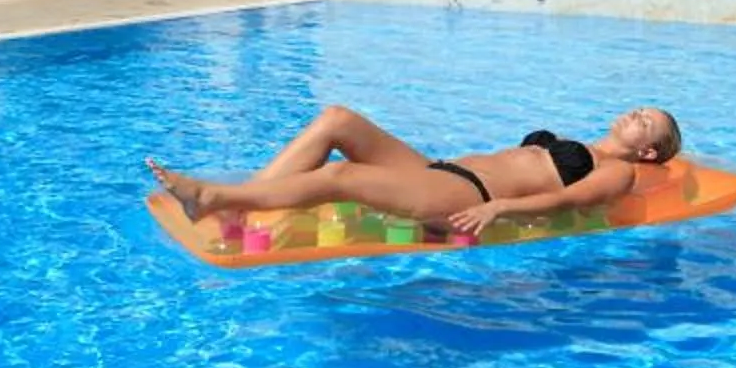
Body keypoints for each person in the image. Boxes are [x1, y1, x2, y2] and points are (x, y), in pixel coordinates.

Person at [149, 102, 684, 241]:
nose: (635, 116)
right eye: (639, 110)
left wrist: (501, 208)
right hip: (440, 171)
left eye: (647, 122)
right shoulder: (576, 141)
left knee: (340, 179)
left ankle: (215, 200)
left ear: (651, 154)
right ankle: (244, 197)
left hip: (461, 196)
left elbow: (571, 203)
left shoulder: (620, 172)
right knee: (338, 121)